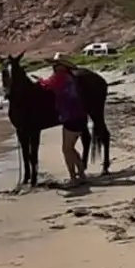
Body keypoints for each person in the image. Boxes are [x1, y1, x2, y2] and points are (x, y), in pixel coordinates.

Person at [39, 56, 89, 185]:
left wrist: (40, 81)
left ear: (60, 66)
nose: (53, 67)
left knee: (66, 149)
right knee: (70, 148)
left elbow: (46, 85)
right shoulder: (69, 76)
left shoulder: (60, 76)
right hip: (80, 115)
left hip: (71, 116)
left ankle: (74, 178)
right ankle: (82, 175)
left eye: (55, 65)